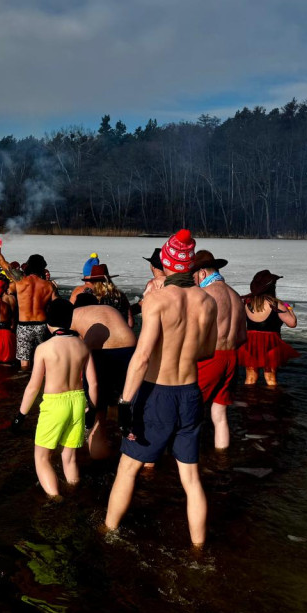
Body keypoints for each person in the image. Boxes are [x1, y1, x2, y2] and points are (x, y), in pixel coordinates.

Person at [105, 229, 218, 547]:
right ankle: (198, 549)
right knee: (192, 479)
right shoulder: (207, 302)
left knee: (128, 468)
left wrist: (126, 404)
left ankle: (108, 532)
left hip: (158, 393)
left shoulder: (156, 299)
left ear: (167, 263)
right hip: (190, 393)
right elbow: (208, 351)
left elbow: (140, 358)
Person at [12, 298, 98, 498]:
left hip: (55, 404)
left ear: (48, 322)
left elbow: (33, 386)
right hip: (78, 402)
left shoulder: (44, 348)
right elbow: (92, 383)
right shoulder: (82, 346)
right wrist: (91, 408)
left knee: (42, 457)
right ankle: (75, 493)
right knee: (69, 457)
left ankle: (55, 499)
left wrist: (21, 415)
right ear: (70, 320)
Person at [192, 249, 247, 450]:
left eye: (194, 276)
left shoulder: (204, 296)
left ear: (203, 273)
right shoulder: (236, 296)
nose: (193, 280)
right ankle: (221, 457)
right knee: (220, 414)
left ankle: (187, 459)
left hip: (210, 357)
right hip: (232, 357)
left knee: (191, 410)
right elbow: (242, 336)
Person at [71, 294, 136, 459]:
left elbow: (68, 346)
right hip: (129, 346)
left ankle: (98, 460)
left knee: (99, 411)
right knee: (126, 404)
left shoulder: (75, 313)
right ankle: (131, 457)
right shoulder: (108, 309)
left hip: (100, 353)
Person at [0, 230, 56, 369]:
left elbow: (1, 261)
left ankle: (24, 384)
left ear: (28, 266)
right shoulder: (49, 286)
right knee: (43, 359)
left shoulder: (20, 281)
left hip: (24, 326)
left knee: (24, 362)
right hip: (42, 325)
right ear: (42, 268)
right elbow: (57, 305)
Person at [239, 269, 299, 387]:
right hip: (270, 343)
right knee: (270, 378)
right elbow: (292, 323)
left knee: (250, 378)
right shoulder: (276, 304)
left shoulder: (247, 303)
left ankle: (247, 402)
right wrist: (289, 309)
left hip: (251, 343)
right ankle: (272, 403)